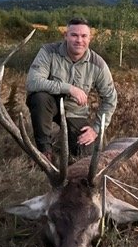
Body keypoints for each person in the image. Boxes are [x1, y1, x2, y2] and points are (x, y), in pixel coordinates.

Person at [26, 17, 117, 162]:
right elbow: (32, 82)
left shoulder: (98, 64)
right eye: (74, 35)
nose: (79, 40)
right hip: (50, 104)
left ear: (90, 38)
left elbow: (110, 98)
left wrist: (96, 129)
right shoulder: (48, 52)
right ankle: (45, 153)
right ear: (66, 36)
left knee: (86, 153)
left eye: (84, 36)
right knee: (40, 98)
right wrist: (69, 89)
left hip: (75, 112)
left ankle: (70, 149)